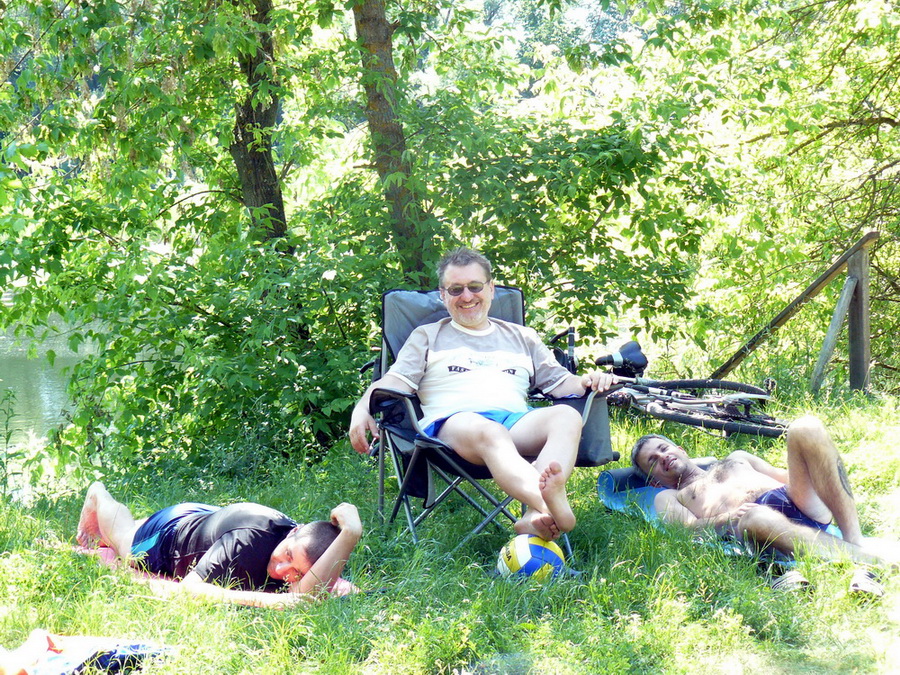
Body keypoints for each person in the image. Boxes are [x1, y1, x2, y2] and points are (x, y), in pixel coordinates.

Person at [349, 247, 617, 541]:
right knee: (489, 430)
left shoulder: (522, 337)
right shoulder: (427, 336)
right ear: (443, 295)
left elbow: (560, 383)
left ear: (491, 289)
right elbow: (392, 381)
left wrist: (588, 380)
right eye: (456, 289)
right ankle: (551, 504)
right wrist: (361, 410)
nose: (467, 296)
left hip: (514, 422)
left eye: (475, 286)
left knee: (566, 416)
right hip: (452, 427)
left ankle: (535, 515)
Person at [630, 415, 897, 595]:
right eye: (652, 461)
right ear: (653, 481)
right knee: (755, 517)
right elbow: (687, 529)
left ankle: (855, 542)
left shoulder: (737, 457)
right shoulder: (669, 496)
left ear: (680, 449)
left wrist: (819, 471)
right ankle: (872, 561)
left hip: (796, 501)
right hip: (759, 524)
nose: (662, 457)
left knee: (806, 426)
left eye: (663, 448)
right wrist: (729, 518)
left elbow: (791, 478)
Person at [76, 482, 362, 608]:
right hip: (171, 533)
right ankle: (99, 494)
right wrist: (271, 601)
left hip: (214, 520)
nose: (281, 570)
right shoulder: (247, 543)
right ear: (293, 532)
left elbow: (305, 597)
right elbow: (190, 590)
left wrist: (350, 534)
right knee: (124, 540)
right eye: (287, 555)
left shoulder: (303, 542)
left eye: (296, 573)